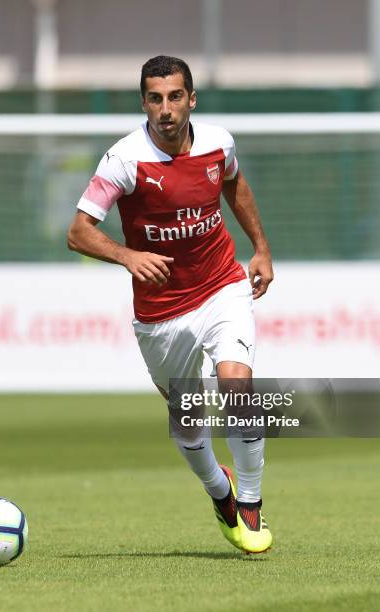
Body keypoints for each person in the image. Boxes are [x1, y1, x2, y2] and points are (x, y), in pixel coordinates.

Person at [67, 55, 274, 554]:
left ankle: (250, 502)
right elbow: (77, 232)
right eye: (155, 98)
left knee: (237, 386)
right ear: (144, 102)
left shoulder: (219, 143)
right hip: (162, 313)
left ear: (192, 99)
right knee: (188, 422)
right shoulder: (124, 160)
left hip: (222, 284)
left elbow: (234, 185)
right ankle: (219, 494)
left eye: (175, 96)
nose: (166, 109)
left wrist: (261, 248)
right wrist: (126, 255)